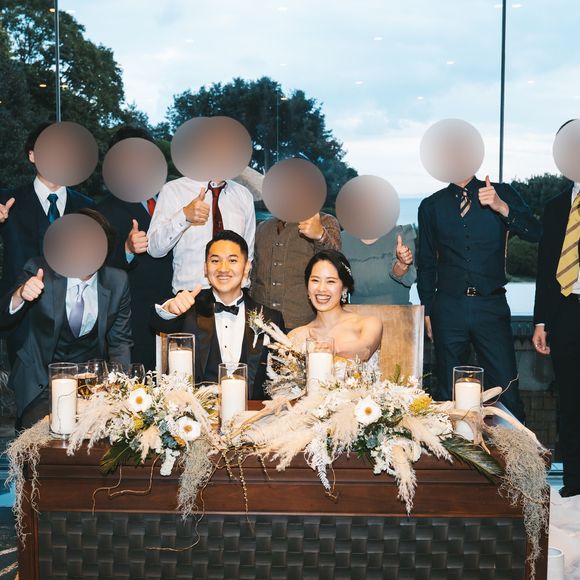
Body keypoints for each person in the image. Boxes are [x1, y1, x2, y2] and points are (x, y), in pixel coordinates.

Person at [417, 175, 541, 420]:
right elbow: (426, 262)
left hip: (491, 305)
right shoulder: (431, 205)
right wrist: (427, 309)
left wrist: (501, 207)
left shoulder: (502, 192)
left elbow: (535, 232)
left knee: (506, 387)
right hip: (448, 308)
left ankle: (513, 444)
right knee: (448, 392)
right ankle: (450, 444)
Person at [0, 209, 132, 429]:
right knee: (43, 442)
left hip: (90, 385)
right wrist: (20, 295)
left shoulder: (117, 281)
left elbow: (120, 342)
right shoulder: (39, 270)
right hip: (40, 384)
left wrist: (119, 388)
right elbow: (3, 319)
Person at [0, 123, 95, 363]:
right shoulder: (6, 201)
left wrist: (127, 250)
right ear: (32, 155)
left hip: (76, 330)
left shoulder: (88, 207)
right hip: (23, 327)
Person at [151, 230, 284, 400]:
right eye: (215, 261)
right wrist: (170, 309)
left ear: (246, 268)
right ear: (205, 268)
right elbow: (156, 322)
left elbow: (279, 382)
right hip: (198, 412)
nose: (223, 268)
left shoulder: (271, 319)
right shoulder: (189, 308)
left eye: (232, 260)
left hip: (253, 413)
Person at [98, 126, 173, 370]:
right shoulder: (103, 210)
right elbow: (95, 268)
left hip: (178, 311)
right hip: (134, 318)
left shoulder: (173, 200)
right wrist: (127, 250)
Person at [532, 132, 580, 497]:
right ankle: (575, 480)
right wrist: (541, 321)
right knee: (570, 400)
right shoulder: (555, 206)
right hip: (565, 312)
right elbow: (546, 266)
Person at [147, 171, 255, 294]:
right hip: (190, 296)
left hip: (235, 294)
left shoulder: (244, 195)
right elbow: (154, 249)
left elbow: (248, 253)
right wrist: (184, 216)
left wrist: (243, 286)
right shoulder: (173, 190)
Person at [250, 212, 341, 329]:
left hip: (303, 325)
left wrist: (320, 235)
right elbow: (254, 276)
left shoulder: (325, 221)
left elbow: (335, 263)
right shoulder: (262, 227)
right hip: (260, 323)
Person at [288, 250, 382, 362]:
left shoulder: (367, 324)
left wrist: (333, 348)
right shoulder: (297, 335)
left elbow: (365, 350)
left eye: (330, 281)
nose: (321, 289)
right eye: (315, 280)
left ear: (344, 288)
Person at [341, 225, 416, 304]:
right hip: (354, 311)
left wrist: (402, 264)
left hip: (398, 310)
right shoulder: (342, 239)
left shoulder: (402, 234)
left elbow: (401, 274)